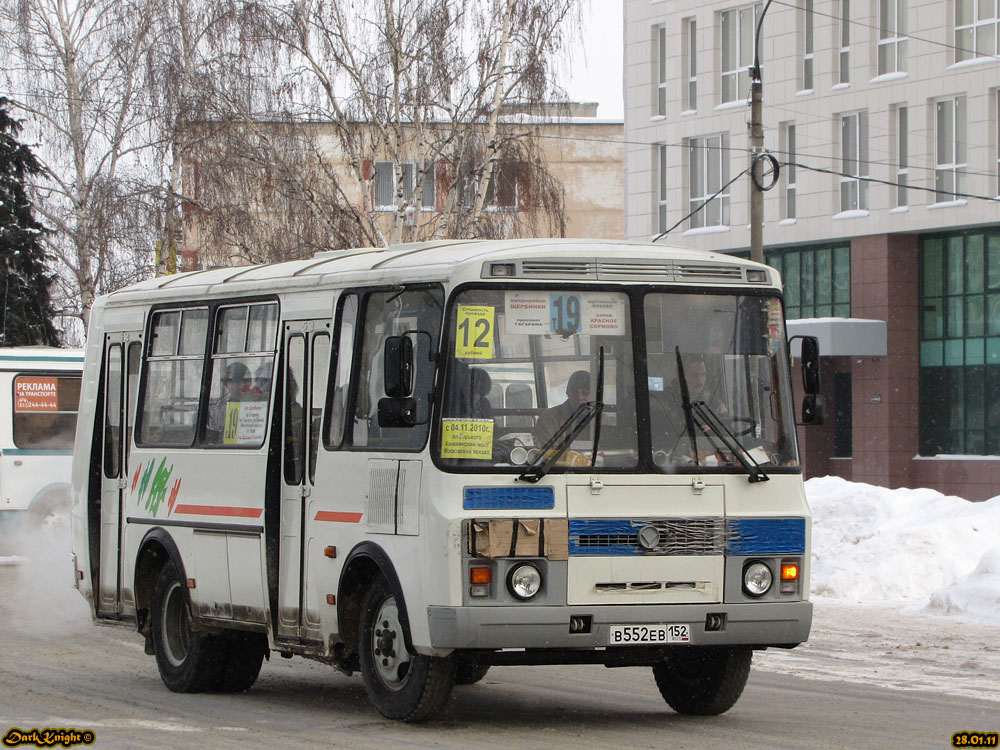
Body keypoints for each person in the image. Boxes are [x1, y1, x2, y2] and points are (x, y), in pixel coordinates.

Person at [533, 370, 590, 447]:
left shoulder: (602, 420)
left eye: (585, 393)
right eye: (575, 392)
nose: (579, 397)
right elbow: (549, 454)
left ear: (594, 394)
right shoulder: (548, 419)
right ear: (567, 392)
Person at [207, 361, 250, 442]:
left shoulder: (257, 406)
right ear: (225, 385)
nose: (241, 386)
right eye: (235, 382)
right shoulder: (215, 408)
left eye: (246, 381)